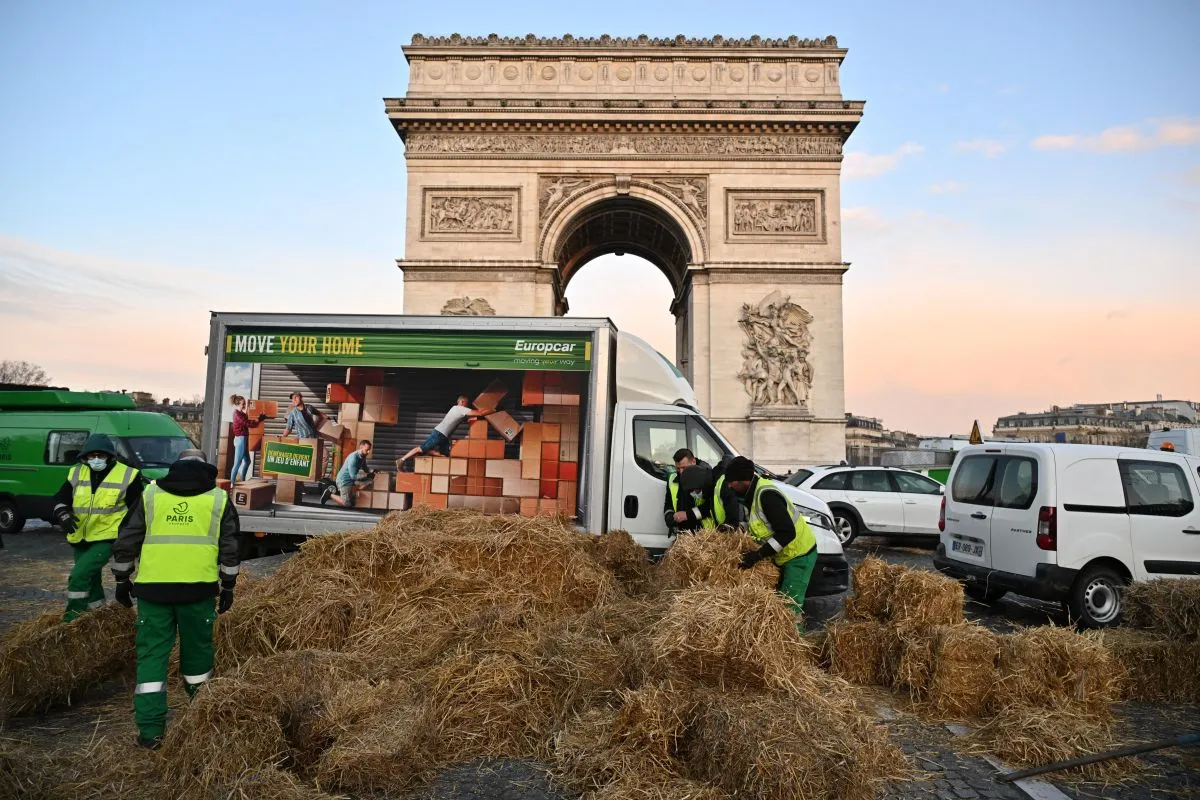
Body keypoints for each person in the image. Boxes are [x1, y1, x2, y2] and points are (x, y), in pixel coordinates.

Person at [110, 449, 240, 749]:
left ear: (175, 467)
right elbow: (231, 545)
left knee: (152, 658)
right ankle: (201, 722)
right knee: (197, 657)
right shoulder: (218, 499)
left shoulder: (151, 494)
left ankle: (150, 732)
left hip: (153, 592)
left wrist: (121, 578)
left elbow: (127, 537)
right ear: (205, 467)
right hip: (198, 592)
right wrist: (229, 585)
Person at [51, 433, 144, 621]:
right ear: (84, 457)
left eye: (101, 455)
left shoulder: (128, 475)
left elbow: (137, 510)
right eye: (91, 455)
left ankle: (72, 619)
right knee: (92, 580)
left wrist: (129, 538)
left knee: (79, 576)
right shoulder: (76, 472)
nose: (96, 459)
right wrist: (63, 514)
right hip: (80, 536)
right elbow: (61, 498)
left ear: (110, 456)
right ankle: (99, 616)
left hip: (108, 537)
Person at [723, 456, 817, 621]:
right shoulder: (751, 494)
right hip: (784, 555)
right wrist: (736, 529)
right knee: (778, 605)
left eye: (732, 482)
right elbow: (759, 526)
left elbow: (787, 533)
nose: (729, 486)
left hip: (799, 555)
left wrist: (758, 555)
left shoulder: (767, 496)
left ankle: (793, 644)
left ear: (743, 480)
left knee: (788, 610)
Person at [397, 395, 493, 465]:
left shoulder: (458, 411)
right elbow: (480, 413)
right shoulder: (459, 408)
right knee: (420, 449)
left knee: (444, 455)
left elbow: (470, 419)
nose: (467, 406)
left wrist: (479, 418)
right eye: (466, 404)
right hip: (439, 433)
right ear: (462, 402)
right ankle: (402, 460)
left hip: (444, 436)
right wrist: (494, 410)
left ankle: (428, 451)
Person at [663, 448, 711, 533]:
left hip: (703, 532)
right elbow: (668, 504)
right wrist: (669, 517)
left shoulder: (706, 477)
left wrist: (688, 515)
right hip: (683, 534)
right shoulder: (673, 479)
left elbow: (710, 506)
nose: (681, 472)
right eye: (678, 468)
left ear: (693, 462)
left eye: (684, 468)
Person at [322, 440, 373, 507]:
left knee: (354, 502)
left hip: (351, 481)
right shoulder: (354, 458)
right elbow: (353, 476)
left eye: (369, 450)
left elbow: (365, 468)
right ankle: (329, 494)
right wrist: (366, 475)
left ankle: (347, 497)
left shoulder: (363, 456)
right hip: (344, 481)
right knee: (347, 504)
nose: (368, 452)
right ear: (361, 447)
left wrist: (372, 472)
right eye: (367, 450)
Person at [228, 394, 266, 485]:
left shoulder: (241, 413)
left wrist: (258, 419)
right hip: (240, 440)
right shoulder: (238, 414)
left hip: (243, 439)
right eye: (243, 404)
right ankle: (231, 484)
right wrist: (258, 420)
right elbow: (249, 424)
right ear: (237, 404)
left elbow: (249, 422)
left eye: (245, 403)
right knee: (237, 463)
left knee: (247, 461)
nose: (244, 405)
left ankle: (243, 481)